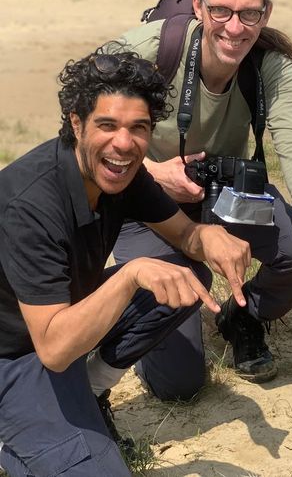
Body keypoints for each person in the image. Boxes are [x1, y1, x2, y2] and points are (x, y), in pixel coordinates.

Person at [0, 48, 251, 476]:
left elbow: (186, 237)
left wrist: (209, 236)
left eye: (139, 128)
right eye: (107, 125)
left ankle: (91, 389)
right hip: (16, 354)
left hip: (62, 323)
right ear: (76, 124)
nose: (123, 143)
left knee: (186, 278)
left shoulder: (122, 173)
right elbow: (55, 349)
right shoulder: (29, 204)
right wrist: (132, 274)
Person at [111, 0, 292, 400]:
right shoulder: (148, 51)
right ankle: (153, 320)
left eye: (249, 14)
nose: (235, 27)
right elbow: (80, 125)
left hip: (222, 191)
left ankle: (242, 317)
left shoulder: (270, 65)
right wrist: (155, 174)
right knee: (179, 384)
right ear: (199, 5)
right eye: (220, 10)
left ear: (266, 13)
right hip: (145, 198)